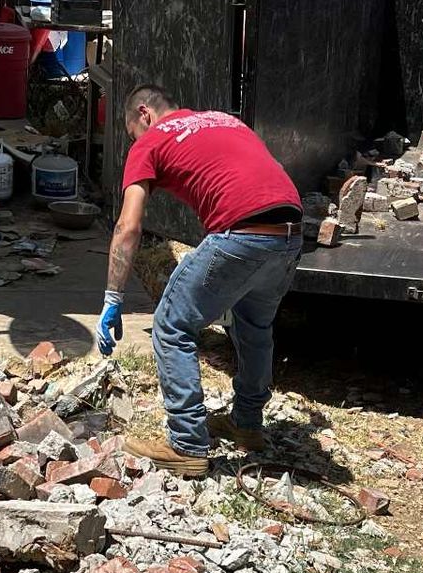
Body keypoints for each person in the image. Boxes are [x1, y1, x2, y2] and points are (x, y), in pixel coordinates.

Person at [98, 86, 304, 476]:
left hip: (242, 231)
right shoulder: (227, 121)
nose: (134, 144)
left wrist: (113, 296)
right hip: (290, 232)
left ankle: (188, 445)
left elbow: (128, 226)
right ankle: (247, 424)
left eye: (132, 134)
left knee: (172, 325)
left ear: (145, 114)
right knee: (254, 325)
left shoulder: (152, 140)